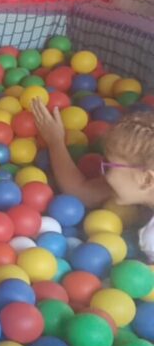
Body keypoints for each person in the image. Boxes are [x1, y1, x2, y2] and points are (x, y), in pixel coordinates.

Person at [32, 100, 154, 258]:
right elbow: (80, 191)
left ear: (147, 180)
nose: (103, 173)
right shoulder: (137, 182)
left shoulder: (151, 239)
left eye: (109, 166)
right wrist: (55, 141)